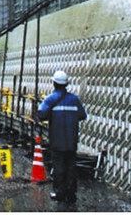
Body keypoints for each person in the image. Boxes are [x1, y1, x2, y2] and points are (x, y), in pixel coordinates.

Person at [37, 70, 87, 204]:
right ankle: (71, 194)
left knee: (59, 167)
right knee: (71, 166)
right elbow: (83, 115)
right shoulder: (74, 99)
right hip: (71, 140)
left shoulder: (50, 99)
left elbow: (41, 114)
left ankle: (59, 193)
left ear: (54, 83)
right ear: (66, 84)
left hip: (57, 140)